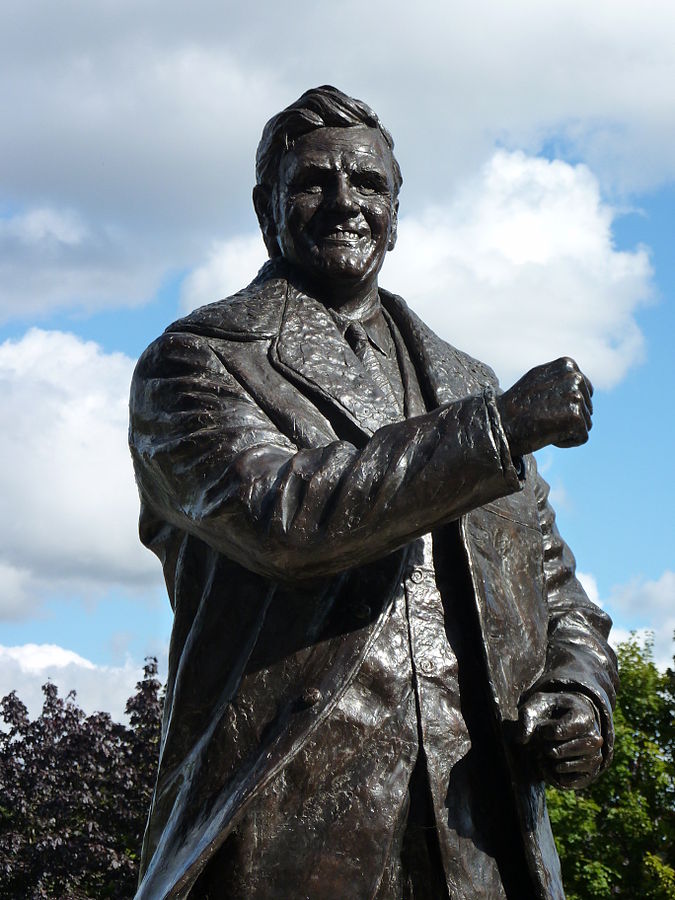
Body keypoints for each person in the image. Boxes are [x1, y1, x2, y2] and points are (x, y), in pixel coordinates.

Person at [129, 86, 618, 899]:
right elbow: (282, 518)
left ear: (397, 208)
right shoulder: (198, 361)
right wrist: (491, 433)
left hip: (481, 834)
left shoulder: (463, 380)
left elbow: (557, 593)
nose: (344, 203)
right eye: (314, 182)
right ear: (266, 206)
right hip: (287, 826)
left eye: (369, 185)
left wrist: (577, 692)